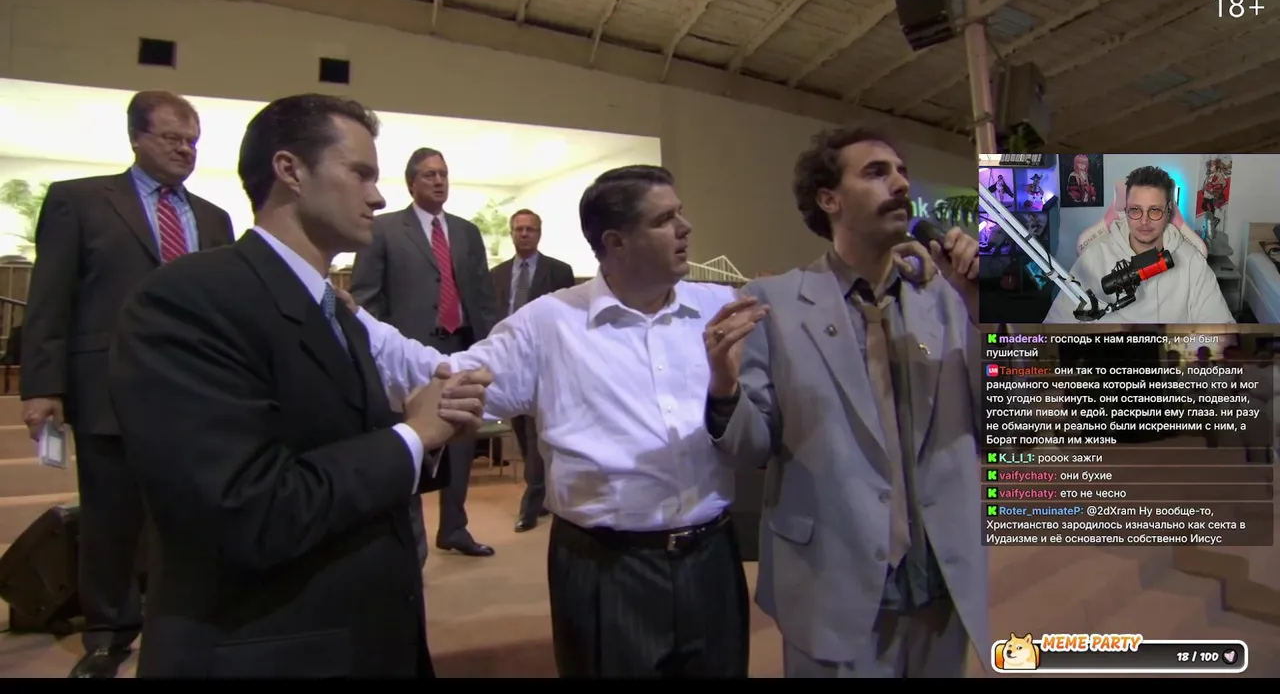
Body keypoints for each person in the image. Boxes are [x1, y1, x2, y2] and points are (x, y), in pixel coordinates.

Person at [107, 93, 491, 678]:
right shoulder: (188, 299)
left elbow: (339, 447)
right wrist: (413, 436)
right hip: (269, 649)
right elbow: (247, 509)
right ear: (290, 170)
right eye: (360, 173)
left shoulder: (337, 312)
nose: (378, 196)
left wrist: (427, 430)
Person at [345, 165, 766, 678]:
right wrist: (353, 323)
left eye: (680, 213)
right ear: (615, 242)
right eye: (664, 219)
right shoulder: (549, 324)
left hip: (713, 560)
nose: (686, 227)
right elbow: (443, 378)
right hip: (608, 568)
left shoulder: (720, 309)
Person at [706, 126, 987, 677]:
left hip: (939, 577)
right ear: (828, 199)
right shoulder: (774, 305)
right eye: (876, 172)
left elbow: (1007, 425)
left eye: (901, 172)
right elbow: (750, 446)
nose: (900, 183)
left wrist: (983, 313)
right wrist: (723, 387)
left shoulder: (948, 300)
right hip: (832, 581)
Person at [19, 90, 235, 678]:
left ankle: (187, 619)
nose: (185, 150)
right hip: (107, 385)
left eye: (192, 141)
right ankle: (109, 632)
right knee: (111, 516)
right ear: (136, 138)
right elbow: (50, 296)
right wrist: (42, 385)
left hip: (194, 390)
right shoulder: (81, 201)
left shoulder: (214, 218)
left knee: (189, 512)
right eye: (172, 138)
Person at [350, 147, 500, 560]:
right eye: (430, 174)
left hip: (460, 349)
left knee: (460, 442)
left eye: (443, 174)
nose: (439, 181)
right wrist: (376, 358)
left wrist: (489, 348)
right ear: (411, 183)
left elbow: (483, 298)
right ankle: (410, 541)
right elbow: (365, 299)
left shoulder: (467, 232)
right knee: (411, 442)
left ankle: (454, 528)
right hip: (405, 356)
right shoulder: (384, 229)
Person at [1043, 165, 1233, 324]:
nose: (1144, 221)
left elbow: (1222, 332)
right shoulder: (1093, 259)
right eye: (1135, 210)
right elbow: (1054, 326)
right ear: (1126, 210)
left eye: (1154, 210)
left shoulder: (1192, 263)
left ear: (1168, 211)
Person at [489, 208, 576, 532]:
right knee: (520, 426)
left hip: (545, 359)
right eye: (519, 229)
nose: (524, 234)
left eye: (530, 229)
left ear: (539, 234)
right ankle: (539, 491)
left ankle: (530, 501)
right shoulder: (496, 275)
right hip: (509, 360)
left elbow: (568, 318)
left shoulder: (559, 271)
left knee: (535, 428)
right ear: (511, 233)